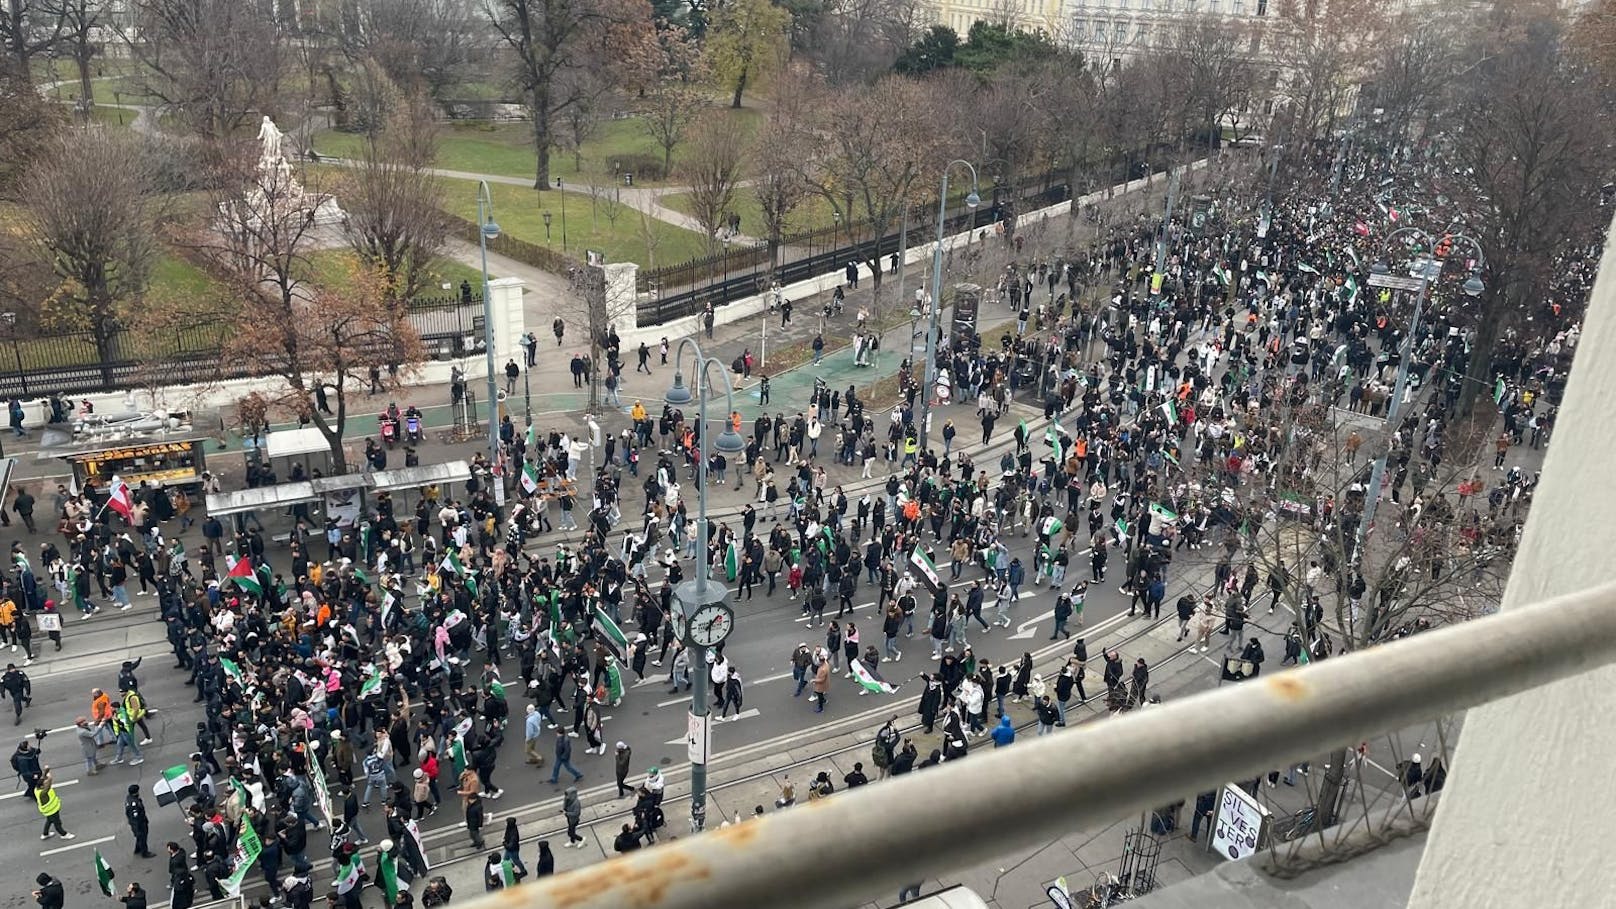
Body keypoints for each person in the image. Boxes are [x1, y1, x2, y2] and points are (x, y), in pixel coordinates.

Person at [35, 765, 70, 839]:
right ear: (42, 786)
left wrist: (46, 771)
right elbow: (49, 783)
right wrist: (50, 778)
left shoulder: (37, 788)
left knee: (49, 821)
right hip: (51, 810)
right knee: (57, 823)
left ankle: (45, 834)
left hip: (49, 811)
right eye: (45, 783)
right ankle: (64, 834)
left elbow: (43, 778)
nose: (46, 783)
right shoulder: (43, 793)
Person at [126, 783, 155, 857]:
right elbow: (135, 817)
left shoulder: (129, 798)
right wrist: (137, 827)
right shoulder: (134, 803)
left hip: (136, 823)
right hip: (139, 824)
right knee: (142, 837)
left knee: (140, 837)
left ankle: (138, 849)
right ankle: (144, 853)